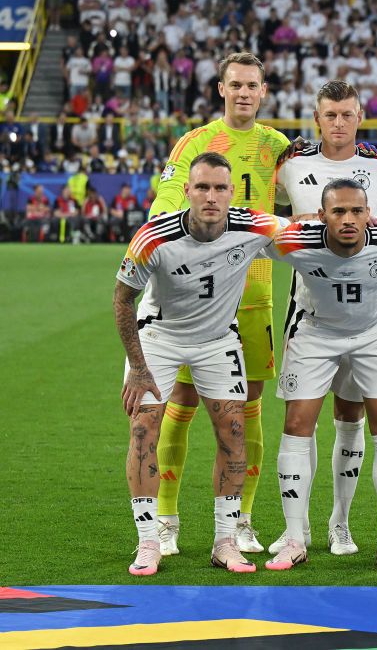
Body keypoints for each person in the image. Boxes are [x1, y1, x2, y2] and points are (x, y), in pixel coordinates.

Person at [147, 52, 292, 557]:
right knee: (182, 405)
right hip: (197, 300)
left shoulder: (278, 147)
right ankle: (166, 518)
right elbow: (164, 206)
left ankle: (242, 519)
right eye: (236, 85)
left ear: (264, 91)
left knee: (246, 410)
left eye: (253, 85)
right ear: (220, 89)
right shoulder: (196, 143)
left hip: (254, 295)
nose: (244, 93)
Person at [114, 151, 284, 576]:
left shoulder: (253, 228)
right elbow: (122, 298)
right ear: (187, 191)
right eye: (202, 187)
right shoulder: (153, 237)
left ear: (232, 193)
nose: (211, 196)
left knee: (234, 429)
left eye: (220, 188)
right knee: (142, 429)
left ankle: (225, 540)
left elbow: (306, 234)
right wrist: (137, 367)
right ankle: (149, 541)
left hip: (217, 340)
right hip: (160, 336)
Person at [262, 179, 377, 573]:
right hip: (314, 332)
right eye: (338, 211)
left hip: (375, 333)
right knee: (296, 425)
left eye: (357, 211)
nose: (348, 219)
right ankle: (294, 538)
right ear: (321, 216)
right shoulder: (296, 240)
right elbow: (247, 233)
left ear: (369, 214)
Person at [267, 80, 377, 558]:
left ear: (359, 115)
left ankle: (341, 524)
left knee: (355, 417)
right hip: (311, 310)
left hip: (371, 311)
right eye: (330, 115)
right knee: (300, 418)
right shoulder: (293, 164)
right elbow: (275, 221)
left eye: (347, 114)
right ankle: (295, 531)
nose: (339, 123)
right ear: (317, 117)